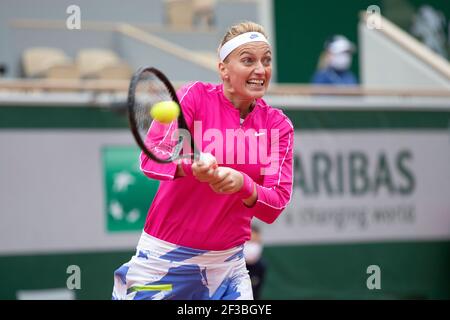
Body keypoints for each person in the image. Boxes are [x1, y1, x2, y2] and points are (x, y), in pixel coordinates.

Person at [112, 21, 294, 300]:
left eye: (266, 61)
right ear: (223, 68)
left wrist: (242, 184)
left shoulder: (277, 126)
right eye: (248, 60)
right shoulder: (194, 97)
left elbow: (276, 203)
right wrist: (189, 167)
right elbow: (151, 160)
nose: (260, 69)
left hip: (227, 268)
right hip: (162, 262)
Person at [244, 224, 267, 300]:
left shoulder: (261, 266)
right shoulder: (233, 266)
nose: (252, 246)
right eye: (250, 241)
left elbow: (256, 292)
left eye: (255, 242)